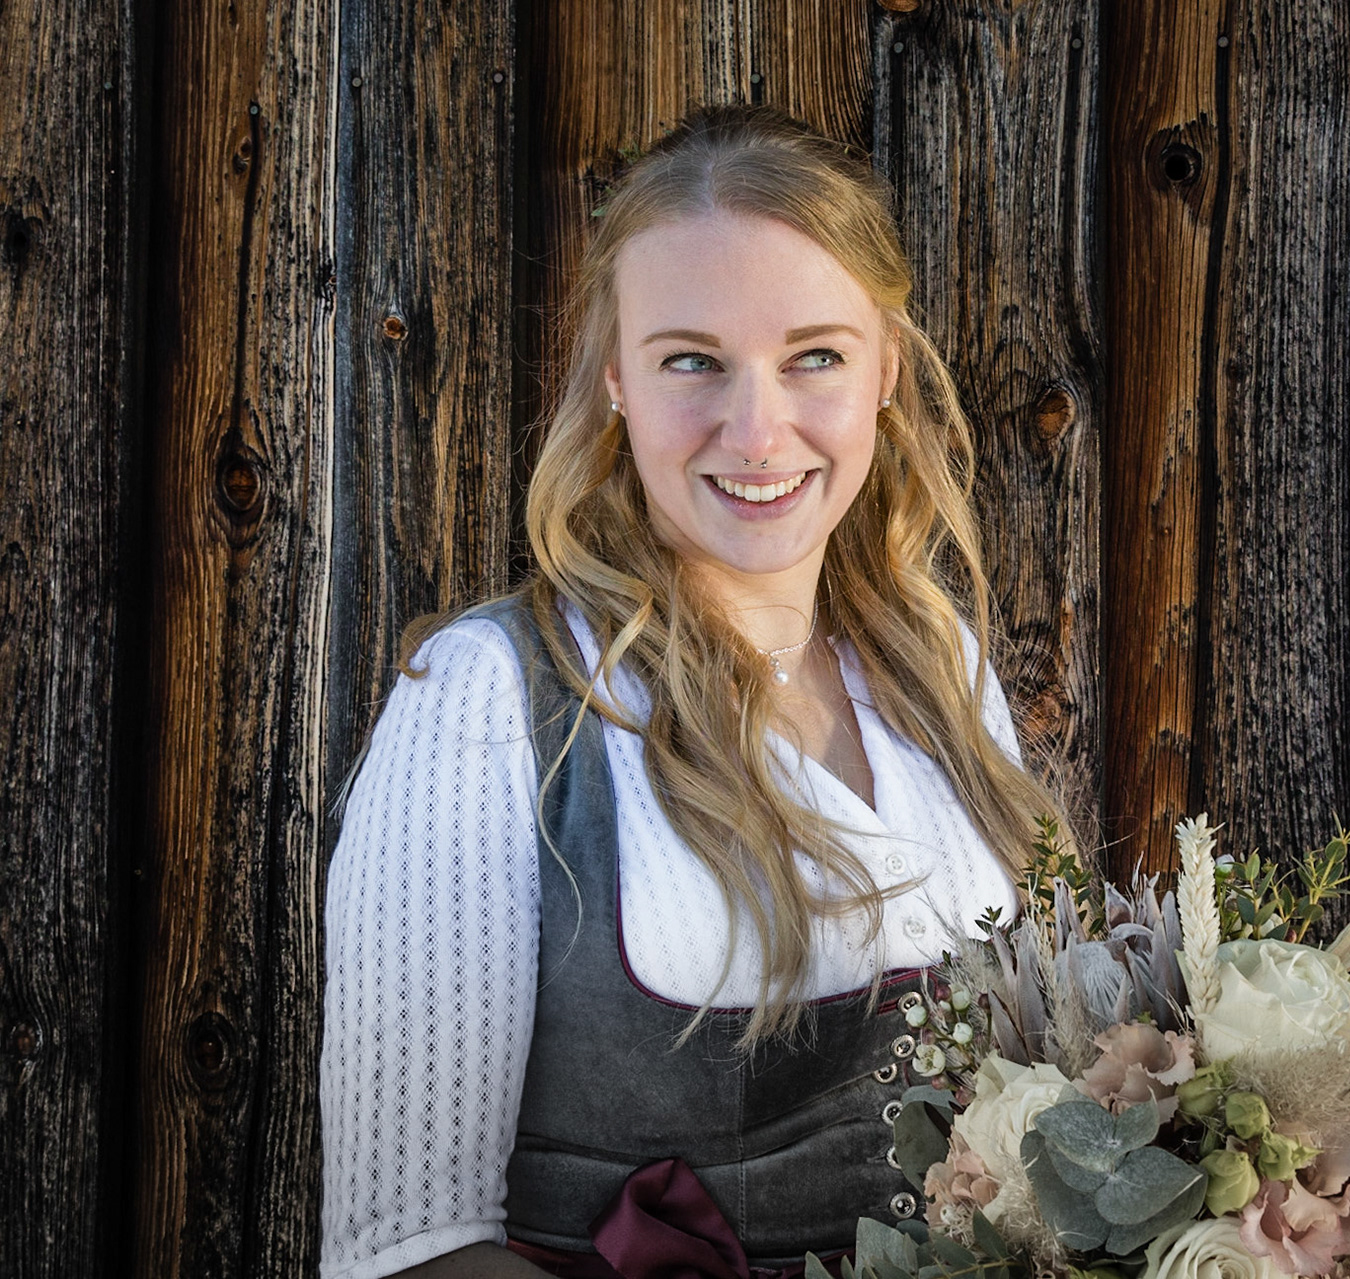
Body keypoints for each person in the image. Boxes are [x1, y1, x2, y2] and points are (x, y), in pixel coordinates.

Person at [317, 105, 1073, 1279]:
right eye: (692, 361)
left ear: (884, 367)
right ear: (616, 375)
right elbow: (410, 1253)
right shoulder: (489, 703)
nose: (756, 431)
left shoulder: (939, 667)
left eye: (814, 356)